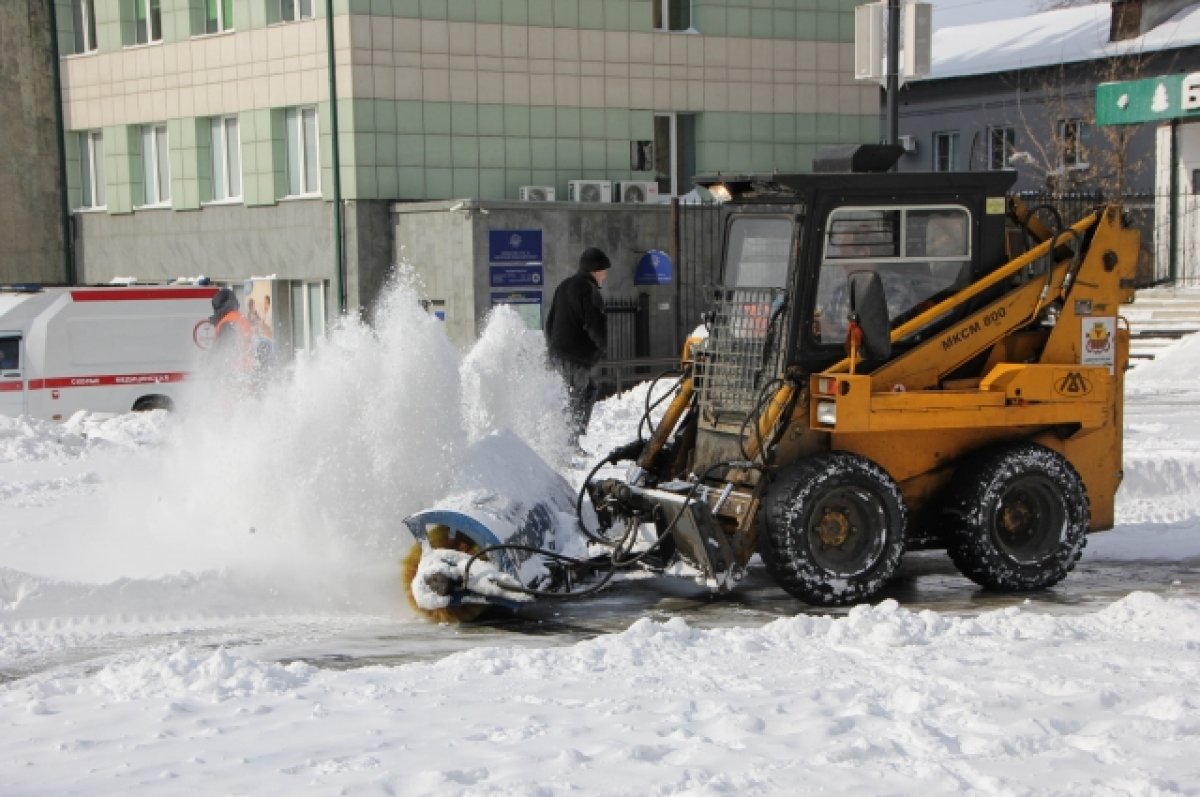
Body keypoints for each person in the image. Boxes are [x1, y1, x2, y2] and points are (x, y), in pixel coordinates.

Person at [544, 246, 610, 448]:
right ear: (596, 270)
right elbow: (594, 324)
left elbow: (550, 320)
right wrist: (602, 348)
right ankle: (570, 443)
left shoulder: (564, 286)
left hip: (557, 353)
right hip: (576, 357)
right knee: (579, 397)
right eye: (604, 272)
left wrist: (552, 347)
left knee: (568, 396)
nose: (605, 276)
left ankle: (561, 441)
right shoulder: (588, 291)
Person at [208, 287, 256, 383]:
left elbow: (222, 349)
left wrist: (209, 360)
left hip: (233, 372)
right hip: (247, 369)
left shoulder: (227, 323)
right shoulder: (240, 318)